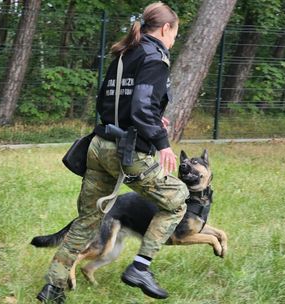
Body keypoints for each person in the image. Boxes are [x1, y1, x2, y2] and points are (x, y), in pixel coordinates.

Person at [36, 2, 188, 303]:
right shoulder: (156, 57)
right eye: (175, 34)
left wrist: (152, 117)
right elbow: (142, 107)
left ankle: (52, 287)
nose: (173, 42)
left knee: (88, 220)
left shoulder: (125, 52)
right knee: (178, 201)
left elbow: (115, 102)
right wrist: (162, 142)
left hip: (98, 145)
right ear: (165, 28)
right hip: (127, 151)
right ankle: (141, 267)